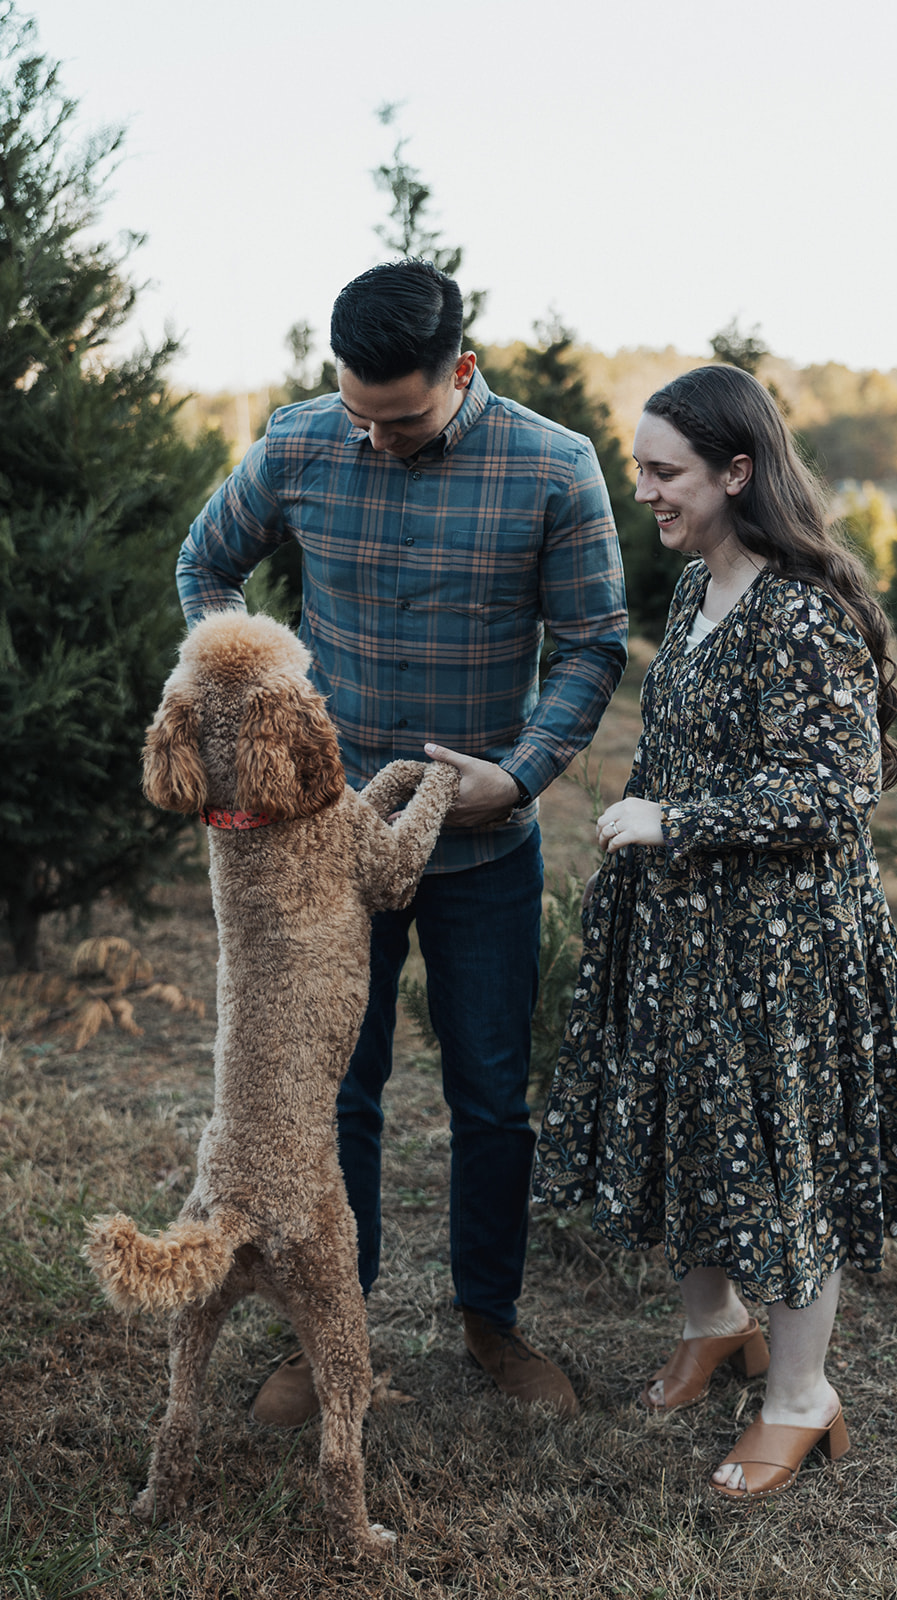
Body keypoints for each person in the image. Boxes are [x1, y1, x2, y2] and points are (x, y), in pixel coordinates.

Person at [177, 259, 628, 1421]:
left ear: (460, 371)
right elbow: (205, 563)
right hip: (322, 859)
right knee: (338, 1091)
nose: (372, 439)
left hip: (482, 846)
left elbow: (590, 643)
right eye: (356, 412)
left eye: (403, 417)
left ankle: (490, 1322)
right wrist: (259, 693)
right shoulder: (299, 443)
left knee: (488, 1093)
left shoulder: (553, 467)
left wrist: (519, 772)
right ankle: (334, 1326)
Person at [534, 363, 897, 1496]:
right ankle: (715, 1321)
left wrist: (676, 819)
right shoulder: (694, 587)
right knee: (695, 1127)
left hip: (782, 948)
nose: (645, 490)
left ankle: (802, 1395)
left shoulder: (799, 611)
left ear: (736, 471)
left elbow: (832, 787)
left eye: (666, 471)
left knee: (783, 1154)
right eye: (640, 467)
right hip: (689, 929)